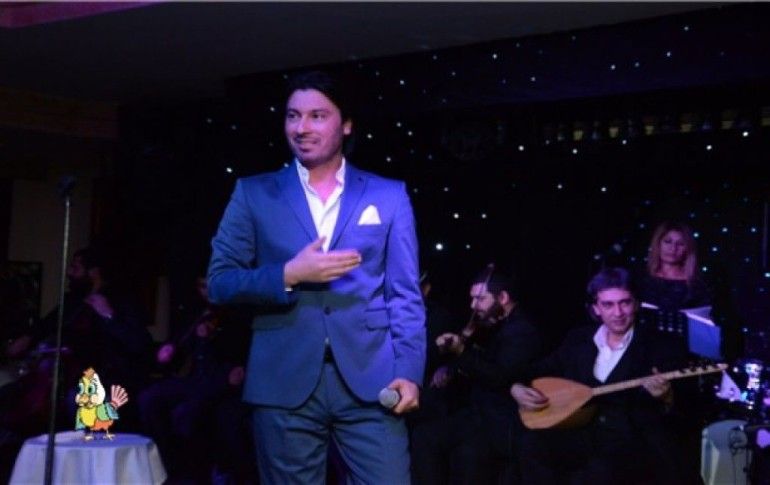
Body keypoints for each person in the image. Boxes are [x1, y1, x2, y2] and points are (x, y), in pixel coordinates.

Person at [207, 70, 425, 484]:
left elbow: (404, 295)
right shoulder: (253, 193)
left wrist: (410, 371)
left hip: (371, 379)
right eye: (293, 116)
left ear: (346, 124)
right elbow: (220, 282)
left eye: (317, 116)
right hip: (282, 380)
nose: (301, 128)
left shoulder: (388, 195)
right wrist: (288, 274)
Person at [510, 267, 694, 485]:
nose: (618, 313)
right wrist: (516, 387)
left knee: (597, 473)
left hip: (631, 440)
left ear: (636, 304)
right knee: (530, 444)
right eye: (608, 305)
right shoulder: (578, 339)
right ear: (596, 308)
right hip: (581, 431)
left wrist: (666, 396)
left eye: (625, 303)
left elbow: (688, 405)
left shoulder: (662, 345)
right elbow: (538, 370)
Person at [411, 269, 543, 484]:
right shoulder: (493, 324)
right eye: (472, 299)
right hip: (476, 414)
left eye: (480, 299)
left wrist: (462, 352)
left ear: (503, 298)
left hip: (500, 421)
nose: (473, 305)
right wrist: (450, 365)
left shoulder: (521, 331)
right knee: (424, 436)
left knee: (465, 453)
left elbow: (500, 377)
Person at [137, 276, 252, 483]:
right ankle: (165, 464)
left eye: (209, 285)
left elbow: (237, 356)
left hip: (221, 381)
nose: (206, 292)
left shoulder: (237, 313)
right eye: (201, 286)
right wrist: (168, 352)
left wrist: (211, 339)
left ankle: (197, 473)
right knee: (149, 398)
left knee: (188, 412)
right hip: (193, 381)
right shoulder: (196, 314)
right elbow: (179, 351)